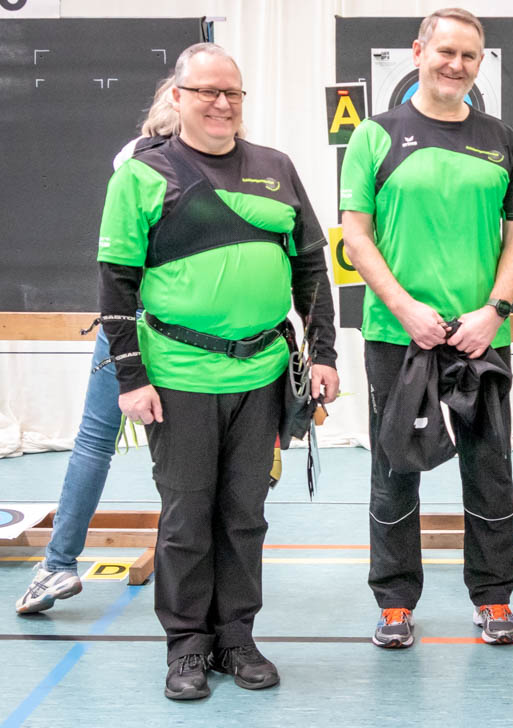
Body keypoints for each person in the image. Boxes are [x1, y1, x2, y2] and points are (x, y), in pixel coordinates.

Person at [97, 43, 339, 701]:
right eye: (207, 91)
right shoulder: (142, 176)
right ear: (177, 97)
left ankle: (236, 639)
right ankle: (187, 647)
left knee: (244, 515)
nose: (221, 103)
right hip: (177, 378)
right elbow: (116, 282)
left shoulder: (276, 167)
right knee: (186, 517)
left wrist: (323, 353)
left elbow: (311, 268)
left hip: (261, 377)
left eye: (232, 92)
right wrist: (130, 379)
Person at [340, 7, 513, 648]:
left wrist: (494, 311)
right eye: (445, 51)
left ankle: (494, 596)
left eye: (469, 55)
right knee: (395, 467)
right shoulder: (375, 135)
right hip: (399, 336)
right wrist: (405, 309)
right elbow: (356, 236)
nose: (456, 64)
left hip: (480, 337)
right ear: (419, 51)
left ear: (480, 63)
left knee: (490, 467)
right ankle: (395, 601)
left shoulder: (503, 140)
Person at [16, 76, 182, 616]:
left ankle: (58, 564)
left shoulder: (131, 159)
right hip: (179, 329)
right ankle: (189, 570)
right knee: (188, 454)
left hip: (132, 320)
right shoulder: (196, 167)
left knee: (93, 443)